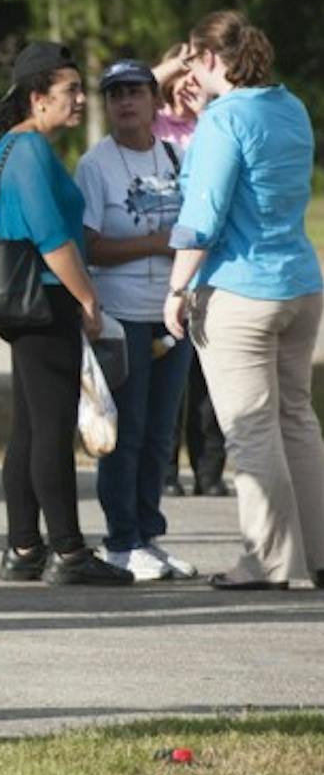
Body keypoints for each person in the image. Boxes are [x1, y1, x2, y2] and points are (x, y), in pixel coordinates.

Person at [164, 11, 324, 590]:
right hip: (301, 284)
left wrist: (177, 288)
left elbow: (203, 216)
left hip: (240, 290)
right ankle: (316, 553)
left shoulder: (222, 121)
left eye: (191, 62)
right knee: (297, 420)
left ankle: (269, 562)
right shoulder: (291, 106)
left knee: (253, 431)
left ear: (209, 60)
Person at [0, 42, 132, 587]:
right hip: (47, 297)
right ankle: (68, 551)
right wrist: (88, 299)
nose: (79, 100)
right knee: (50, 431)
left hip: (28, 299)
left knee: (28, 428)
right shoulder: (29, 152)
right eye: (69, 91)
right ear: (36, 97)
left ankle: (24, 546)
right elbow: (52, 239)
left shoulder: (10, 147)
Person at [75, 59, 198, 581]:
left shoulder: (175, 155)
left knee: (161, 435)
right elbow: (90, 245)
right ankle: (120, 539)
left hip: (170, 316)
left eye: (135, 92)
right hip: (122, 317)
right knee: (127, 431)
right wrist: (152, 244)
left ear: (155, 100)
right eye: (115, 94)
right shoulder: (95, 164)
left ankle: (149, 534)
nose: (125, 102)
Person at [152, 44, 228, 498]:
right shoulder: (153, 124)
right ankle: (164, 470)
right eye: (180, 79)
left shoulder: (214, 124)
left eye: (196, 77)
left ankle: (210, 470)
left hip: (209, 263)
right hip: (166, 260)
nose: (187, 87)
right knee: (169, 376)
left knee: (207, 376)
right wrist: (174, 67)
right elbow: (130, 83)